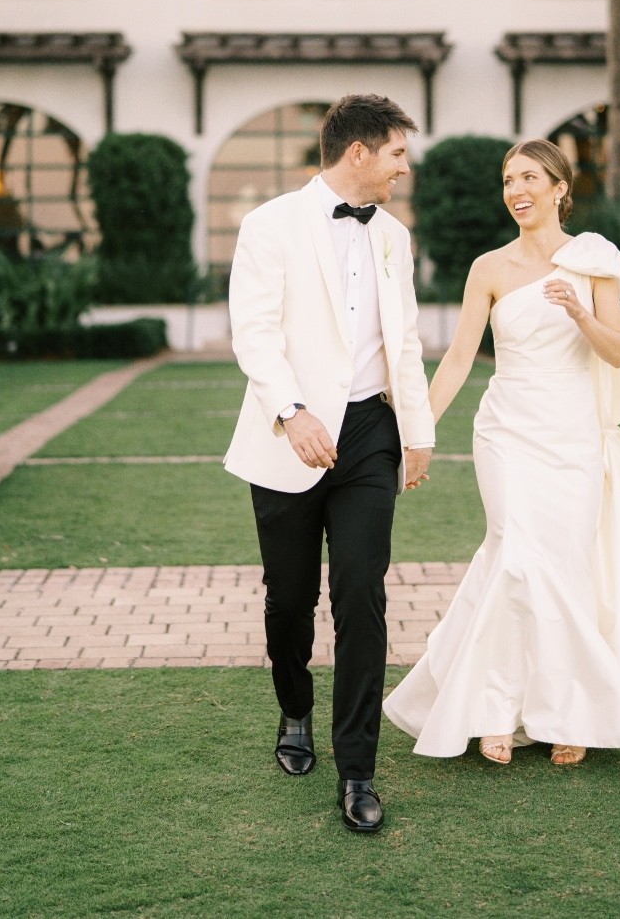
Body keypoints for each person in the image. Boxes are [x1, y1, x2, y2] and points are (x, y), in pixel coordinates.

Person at [384, 139, 620, 765]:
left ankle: (570, 712)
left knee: (561, 567)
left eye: (529, 177)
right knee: (515, 559)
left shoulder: (595, 260)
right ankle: (495, 709)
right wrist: (417, 431)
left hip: (573, 435)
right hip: (505, 430)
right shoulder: (489, 268)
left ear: (560, 187)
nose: (515, 190)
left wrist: (580, 312)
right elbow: (456, 358)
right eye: (508, 180)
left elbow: (616, 352)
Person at [224, 94, 434, 833]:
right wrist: (292, 410)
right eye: (397, 154)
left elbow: (403, 340)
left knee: (362, 595)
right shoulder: (269, 224)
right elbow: (253, 331)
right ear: (360, 154)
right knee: (288, 602)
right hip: (290, 437)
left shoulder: (395, 238)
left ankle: (358, 770)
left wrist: (419, 431)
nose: (404, 168)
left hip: (372, 432)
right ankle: (293, 709)